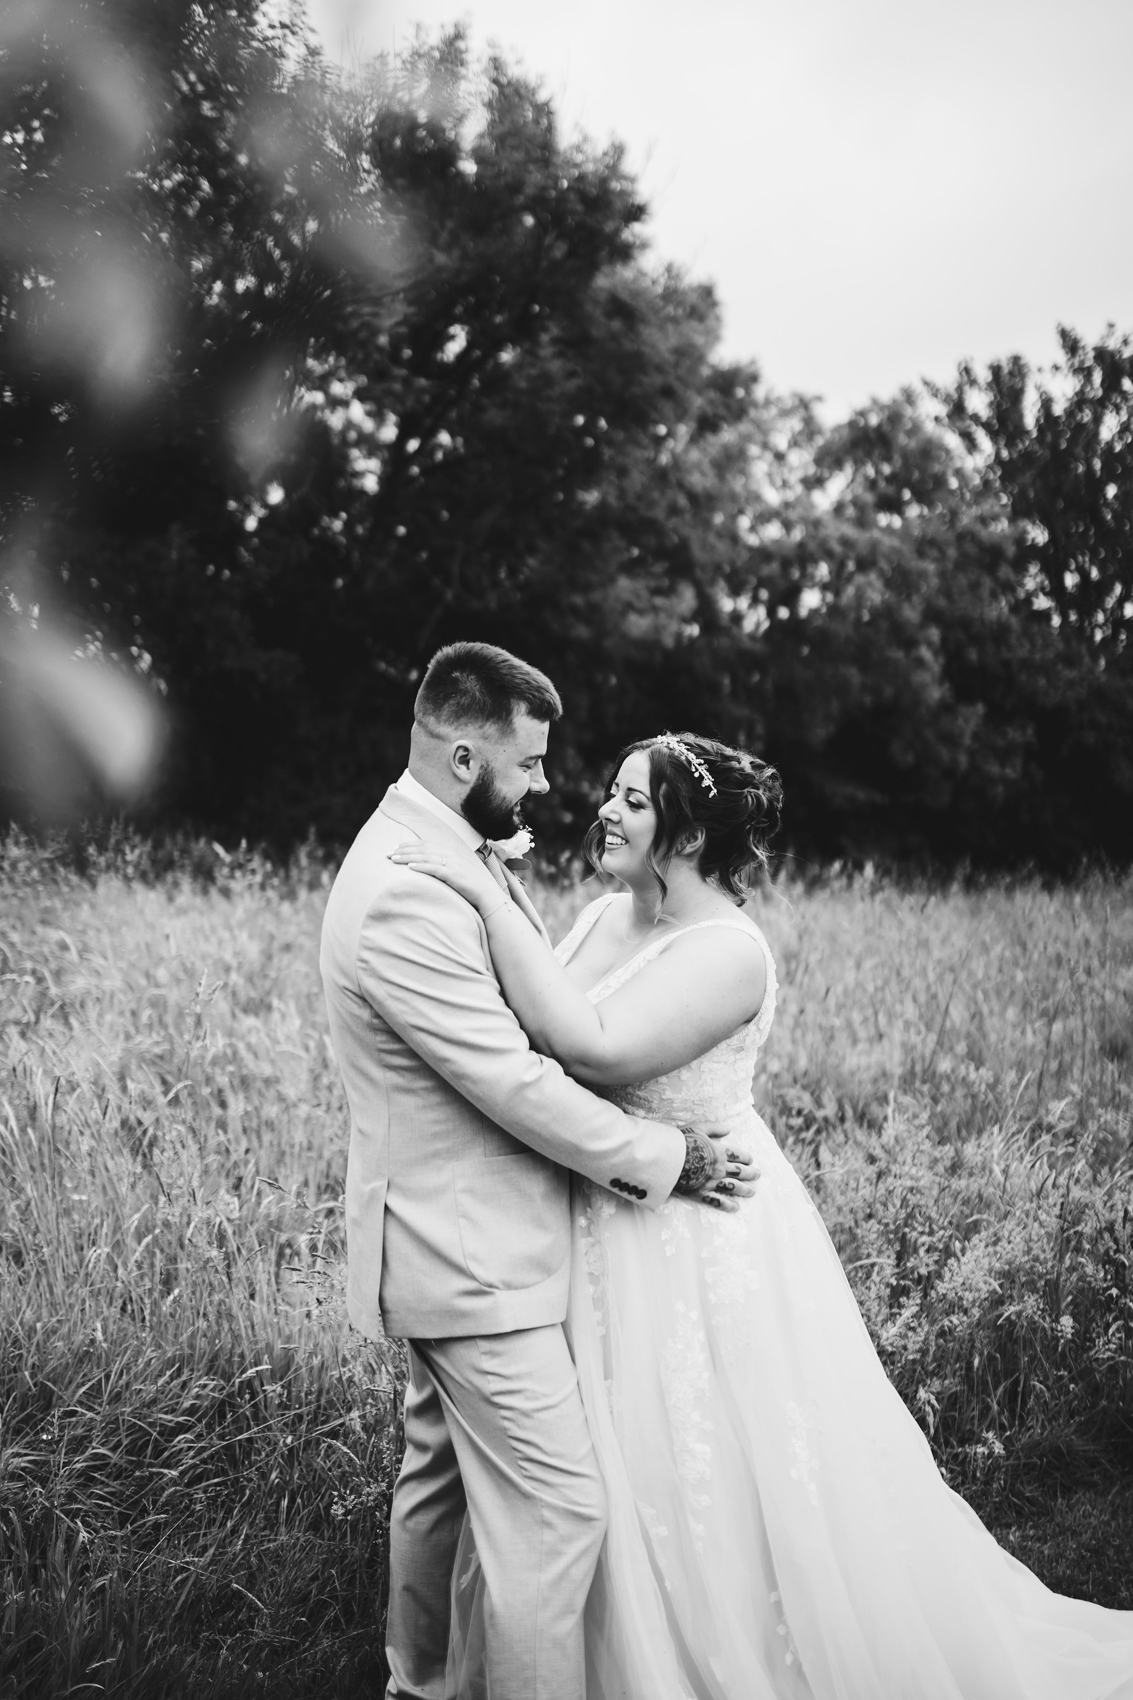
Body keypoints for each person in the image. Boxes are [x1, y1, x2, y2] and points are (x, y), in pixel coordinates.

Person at [392, 729, 1133, 1700]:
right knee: (573, 1480)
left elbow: (598, 1048)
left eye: (633, 800)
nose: (604, 811)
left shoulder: (731, 952)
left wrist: (480, 887)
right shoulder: (600, 915)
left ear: (688, 831)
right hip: (593, 1217)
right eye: (612, 792)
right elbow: (525, 1023)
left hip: (696, 1234)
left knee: (708, 1467)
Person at [319, 645, 759, 1700]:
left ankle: (416, 1679)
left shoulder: (443, 848)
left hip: (458, 1238)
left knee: (437, 1476)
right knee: (560, 1511)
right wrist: (668, 1157)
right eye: (525, 764)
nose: (544, 787)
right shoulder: (407, 891)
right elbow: (514, 1080)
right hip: (470, 1252)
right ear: (463, 750)